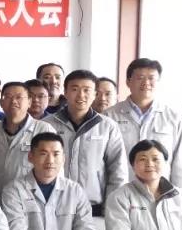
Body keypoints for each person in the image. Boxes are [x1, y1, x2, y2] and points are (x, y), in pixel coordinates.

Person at [44, 70, 128, 216]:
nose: (81, 95)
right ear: (65, 92)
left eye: (87, 90)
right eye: (75, 89)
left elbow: (117, 170)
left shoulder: (107, 126)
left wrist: (111, 209)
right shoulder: (47, 125)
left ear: (95, 94)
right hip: (53, 206)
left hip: (94, 208)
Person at [106, 58, 182, 195]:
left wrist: (179, 199)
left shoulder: (173, 118)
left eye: (151, 78)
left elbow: (181, 165)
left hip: (161, 195)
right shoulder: (109, 116)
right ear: (128, 81)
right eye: (140, 78)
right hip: (121, 194)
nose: (146, 83)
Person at [0, 82, 54, 200]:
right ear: (1, 102)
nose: (14, 101)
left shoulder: (44, 130)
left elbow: (55, 169)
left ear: (29, 102)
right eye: (8, 97)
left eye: (19, 97)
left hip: (29, 203)